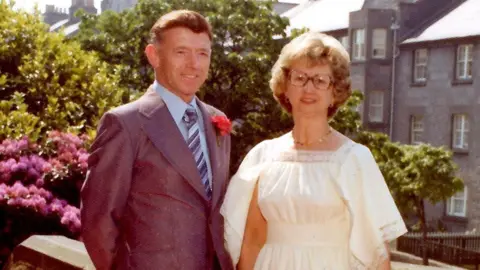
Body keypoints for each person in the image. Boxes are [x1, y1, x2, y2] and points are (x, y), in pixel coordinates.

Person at [220, 31, 408, 270]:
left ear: (335, 92)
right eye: (299, 77)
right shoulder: (262, 156)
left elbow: (376, 253)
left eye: (320, 80)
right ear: (285, 87)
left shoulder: (354, 159)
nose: (309, 88)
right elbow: (253, 240)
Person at [81, 10, 233, 270]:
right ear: (153, 55)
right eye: (181, 52)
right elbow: (98, 221)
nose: (194, 64)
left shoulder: (217, 121)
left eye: (202, 53)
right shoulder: (126, 124)